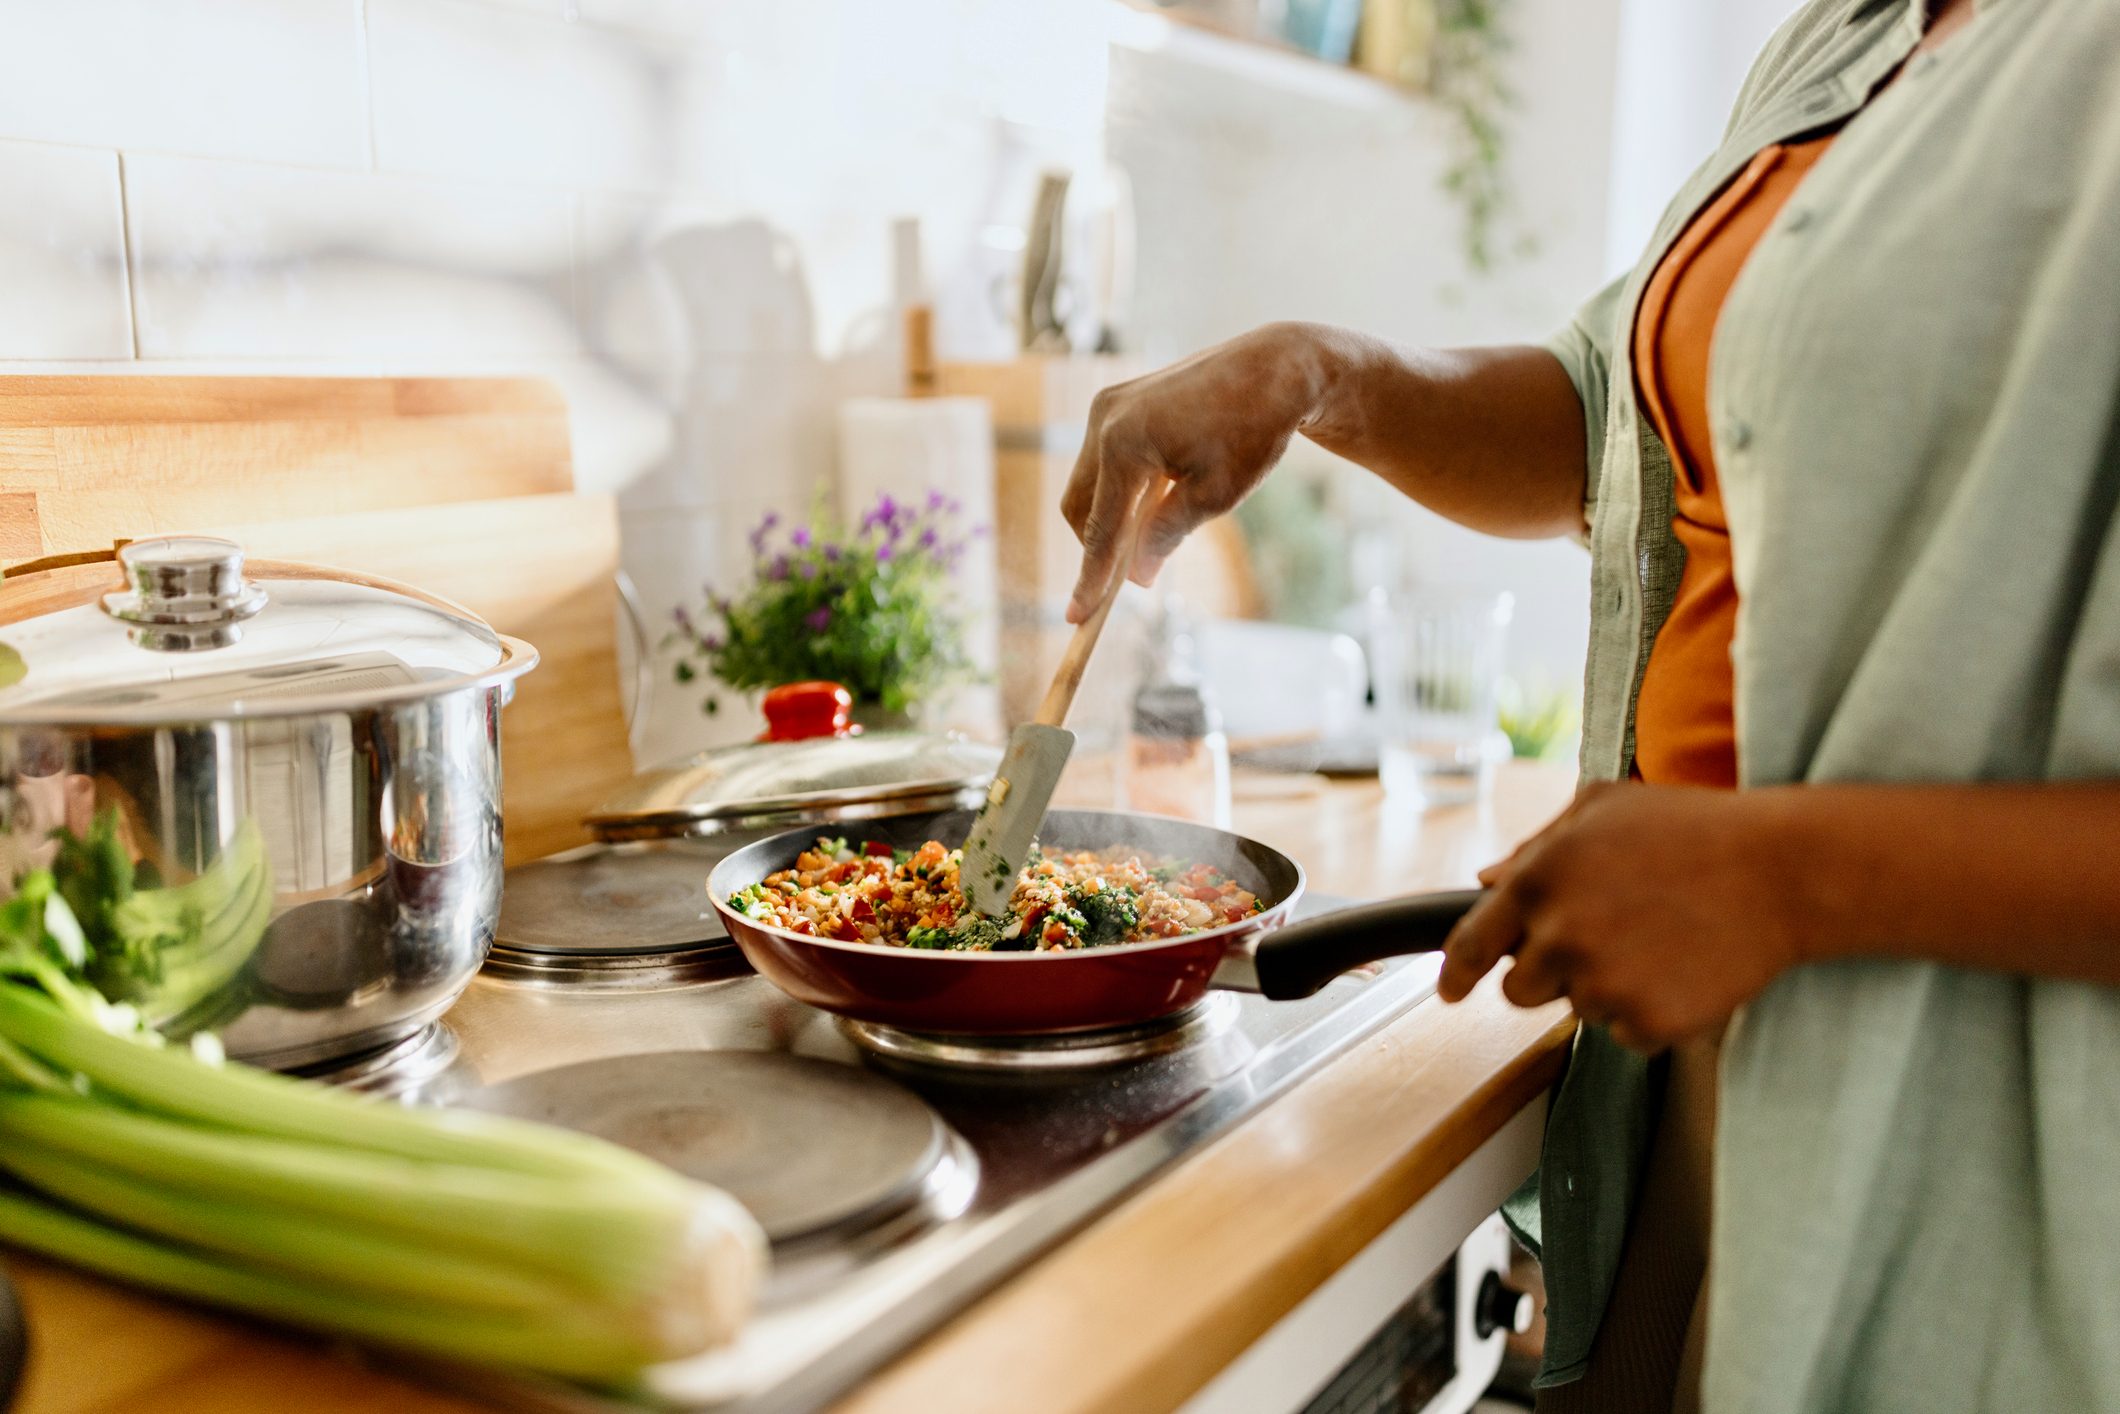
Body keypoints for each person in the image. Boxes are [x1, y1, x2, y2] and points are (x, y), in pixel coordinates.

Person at [1058, 1, 2120, 1410]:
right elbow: (1613, 412)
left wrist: (1779, 877)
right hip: (1707, 1040)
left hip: (1981, 1124)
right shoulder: (1855, 32)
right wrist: (1317, 372)